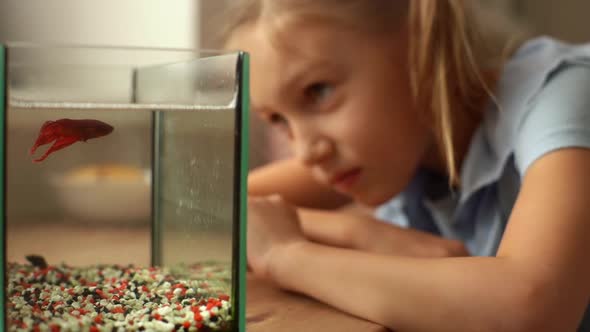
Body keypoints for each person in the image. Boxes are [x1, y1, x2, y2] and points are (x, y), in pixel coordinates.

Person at [224, 0, 590, 330]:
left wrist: (285, 255)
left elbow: (533, 307)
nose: (304, 151)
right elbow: (221, 205)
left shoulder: (567, 96)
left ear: (420, 41)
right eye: (276, 119)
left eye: (318, 91)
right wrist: (361, 233)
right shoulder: (398, 139)